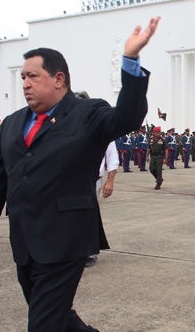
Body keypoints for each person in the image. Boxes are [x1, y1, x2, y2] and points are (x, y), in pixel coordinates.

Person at [0, 17, 160, 332]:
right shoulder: (13, 124)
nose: (25, 83)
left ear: (58, 79)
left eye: (33, 76)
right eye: (23, 77)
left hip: (65, 240)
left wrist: (131, 61)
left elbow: (128, 116)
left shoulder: (88, 113)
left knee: (42, 324)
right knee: (57, 317)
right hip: (25, 243)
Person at [75, 91, 119, 268]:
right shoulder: (66, 127)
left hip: (92, 179)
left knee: (88, 215)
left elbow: (112, 158)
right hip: (69, 180)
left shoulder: (100, 129)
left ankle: (90, 252)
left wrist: (110, 182)